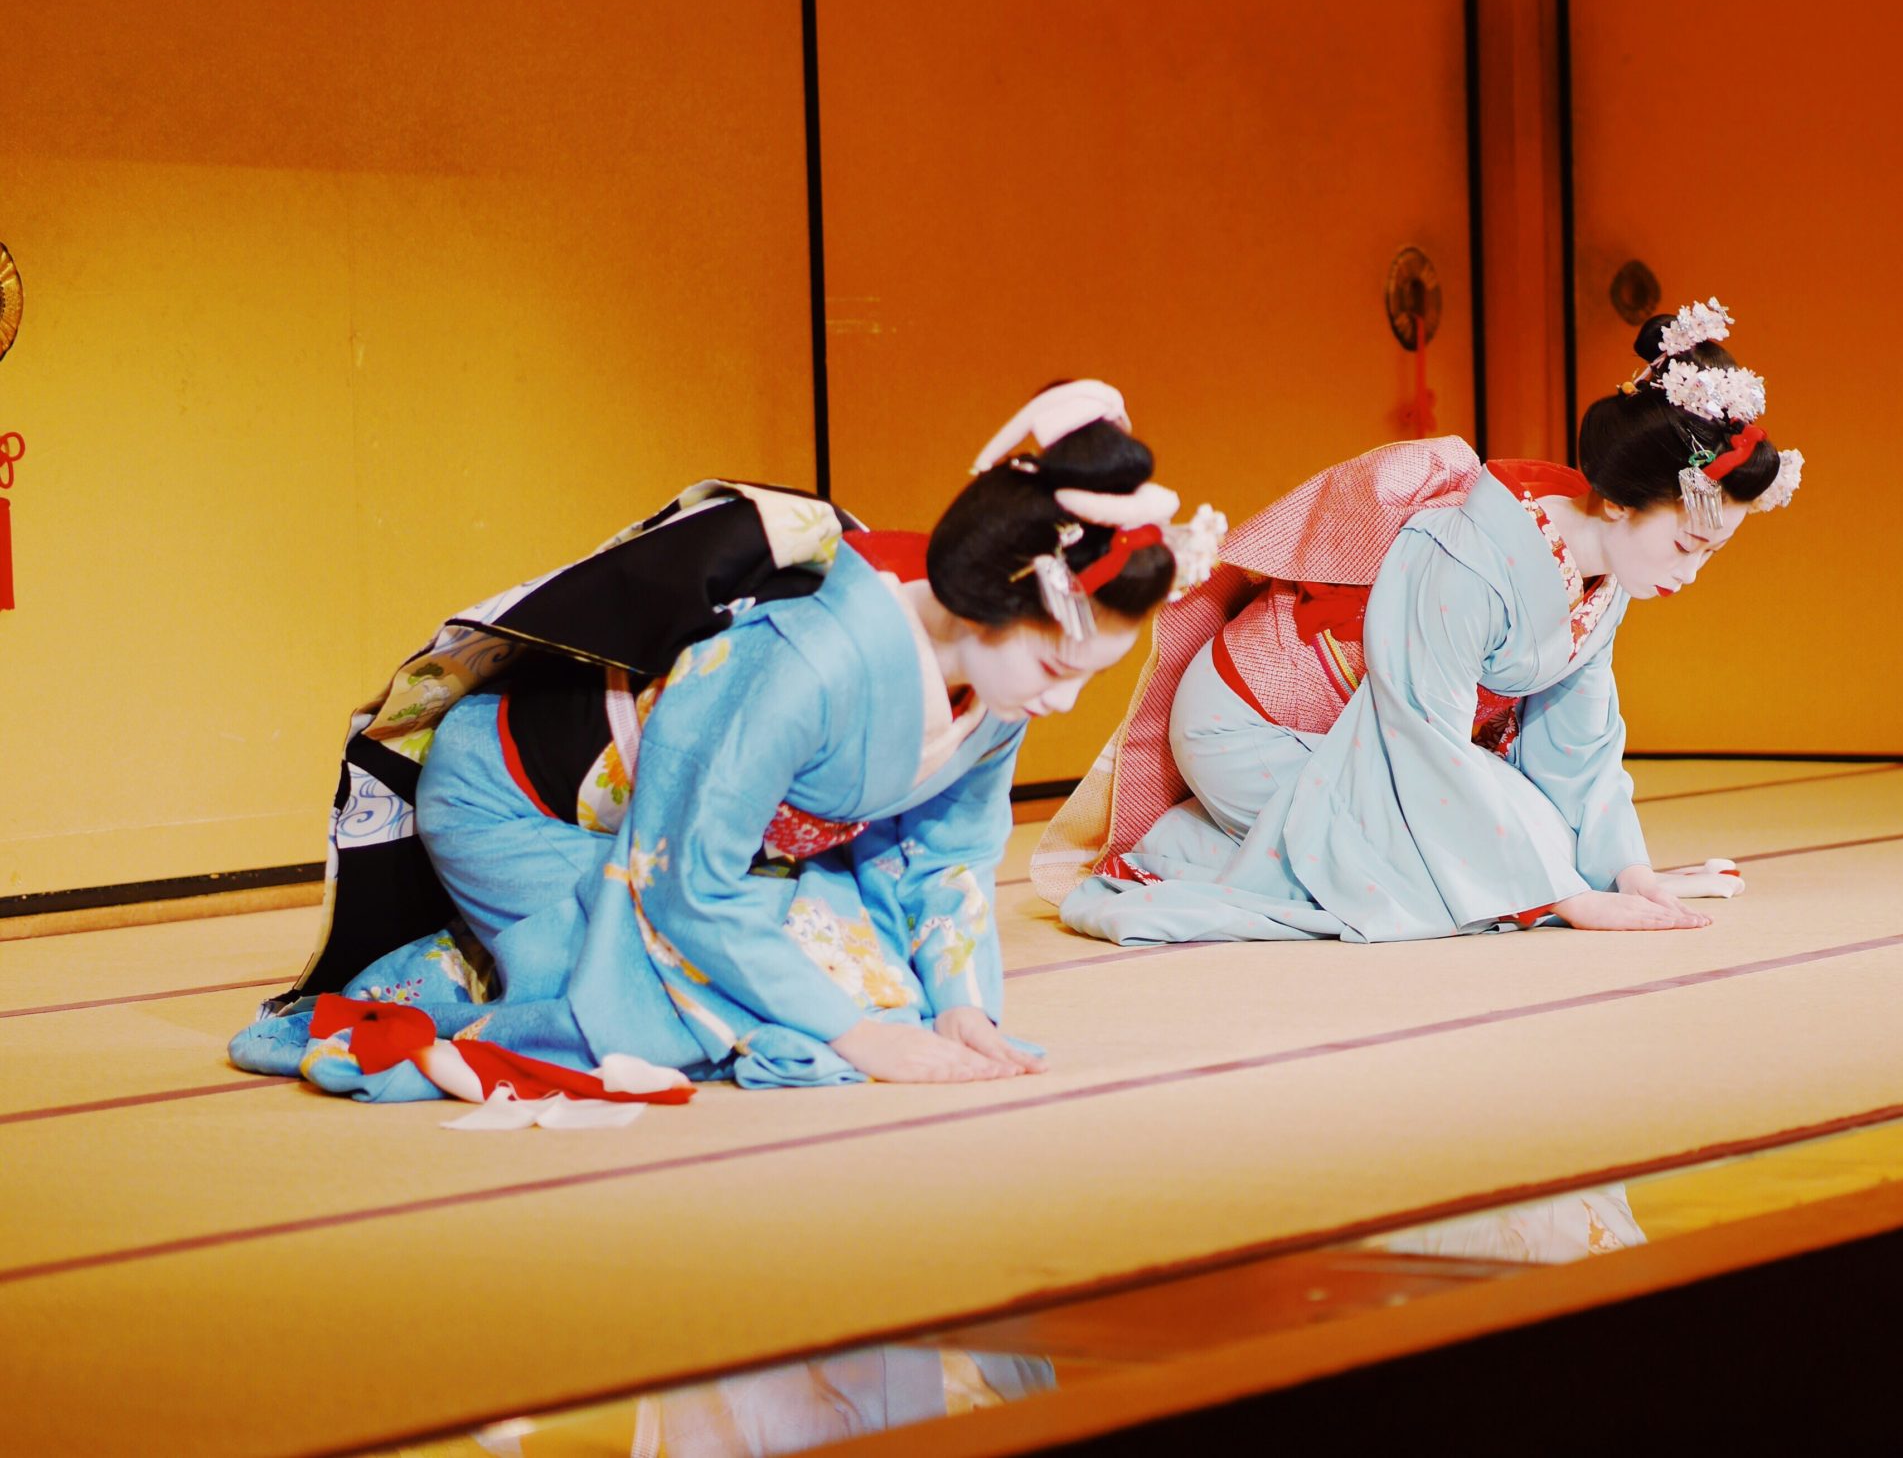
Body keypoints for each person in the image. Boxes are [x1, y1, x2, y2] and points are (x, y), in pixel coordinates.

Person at [233, 383, 1220, 1100]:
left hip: (718, 837)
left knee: (900, 1004)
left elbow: (949, 848)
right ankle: (457, 972)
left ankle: (522, 957)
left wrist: (961, 1002)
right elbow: (684, 883)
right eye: (1059, 670)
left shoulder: (1004, 681)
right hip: (530, 809)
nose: (1064, 703)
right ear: (990, 601)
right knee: (684, 1022)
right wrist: (861, 1036)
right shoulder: (805, 657)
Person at [1036, 301, 1803, 944]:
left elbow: (1580, 741)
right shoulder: (1463, 552)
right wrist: (1568, 899)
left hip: (1362, 736)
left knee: (1523, 832)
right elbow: (1421, 734)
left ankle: (1273, 840)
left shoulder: (1608, 570)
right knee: (1418, 879)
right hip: (1251, 726)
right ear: (1619, 503)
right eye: (1684, 543)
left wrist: (1626, 873)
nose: (1688, 573)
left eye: (1709, 554)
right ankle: (1188, 848)